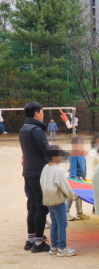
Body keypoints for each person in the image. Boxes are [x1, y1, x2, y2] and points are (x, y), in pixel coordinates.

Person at [19, 102, 50, 252]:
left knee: (32, 205)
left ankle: (30, 239)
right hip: (38, 172)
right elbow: (47, 152)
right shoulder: (36, 130)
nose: (43, 115)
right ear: (37, 113)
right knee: (41, 206)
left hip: (28, 171)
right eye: (42, 112)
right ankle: (38, 242)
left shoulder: (24, 129)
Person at [40, 145, 77, 257]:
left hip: (48, 200)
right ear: (56, 157)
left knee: (54, 224)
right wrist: (73, 196)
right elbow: (65, 186)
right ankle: (62, 248)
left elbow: (42, 182)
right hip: (57, 200)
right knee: (62, 224)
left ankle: (53, 247)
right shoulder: (58, 170)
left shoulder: (45, 167)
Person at [66, 137, 90, 221]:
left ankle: (80, 212)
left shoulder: (82, 154)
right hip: (75, 178)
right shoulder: (73, 155)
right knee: (71, 196)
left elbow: (84, 166)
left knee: (79, 196)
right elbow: (73, 168)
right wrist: (73, 180)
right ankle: (66, 212)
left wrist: (84, 175)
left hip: (80, 178)